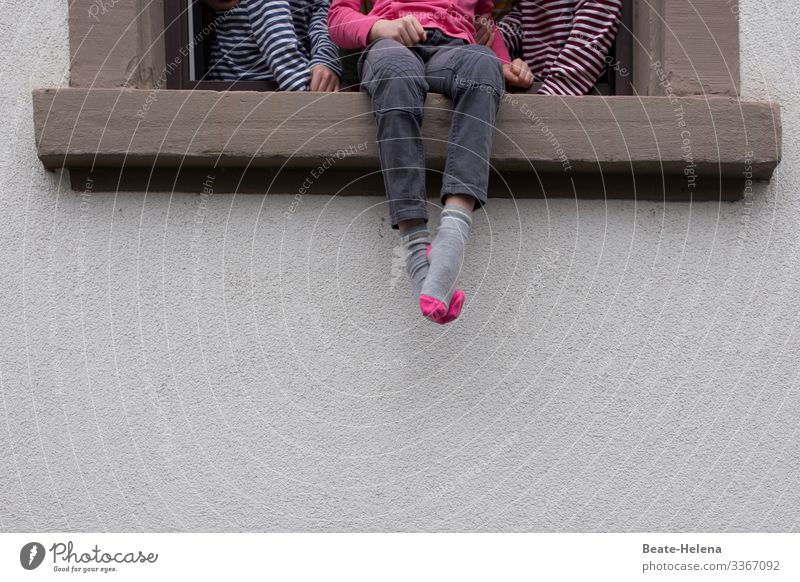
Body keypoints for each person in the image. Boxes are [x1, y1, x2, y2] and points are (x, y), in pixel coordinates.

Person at [328, 1, 534, 324]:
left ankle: (453, 234)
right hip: (391, 44)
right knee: (396, 75)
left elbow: (483, 23)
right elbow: (338, 18)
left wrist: (505, 64)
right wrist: (382, 27)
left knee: (483, 64)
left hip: (454, 52)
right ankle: (416, 248)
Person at [488, 0, 624, 95]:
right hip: (544, 93)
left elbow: (583, 53)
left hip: (575, 100)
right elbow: (513, 28)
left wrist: (546, 102)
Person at [202, 0, 342, 91]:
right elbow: (275, 31)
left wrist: (324, 61)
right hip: (238, 86)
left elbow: (322, 14)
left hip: (298, 84)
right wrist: (302, 91)